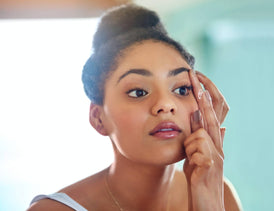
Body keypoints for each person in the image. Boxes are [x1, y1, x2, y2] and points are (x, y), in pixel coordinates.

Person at [28, 3, 242, 211]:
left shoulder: (219, 193)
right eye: (138, 92)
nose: (165, 105)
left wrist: (207, 200)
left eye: (182, 90)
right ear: (98, 118)